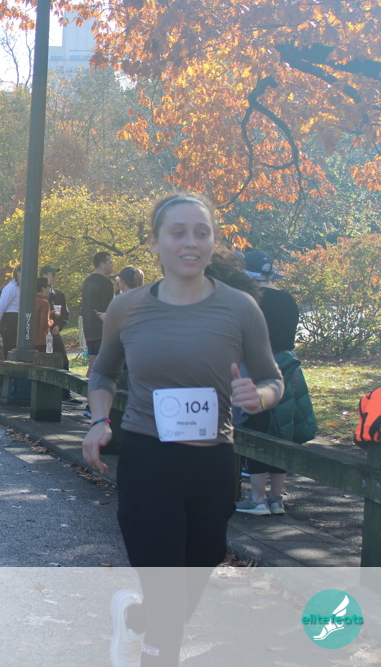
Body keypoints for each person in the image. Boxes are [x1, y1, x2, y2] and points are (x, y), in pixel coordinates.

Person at [81, 193, 283, 667]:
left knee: (195, 576)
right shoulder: (127, 307)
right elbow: (103, 373)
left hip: (213, 462)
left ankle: (135, 620)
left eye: (201, 232)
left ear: (212, 242)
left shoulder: (240, 308)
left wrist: (259, 396)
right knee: (167, 588)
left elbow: (273, 379)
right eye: (178, 232)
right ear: (155, 243)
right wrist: (99, 420)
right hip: (149, 460)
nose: (191, 242)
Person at [234, 250, 301, 516]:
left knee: (256, 428)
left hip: (256, 368)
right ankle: (276, 498)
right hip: (287, 367)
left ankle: (257, 498)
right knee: (281, 430)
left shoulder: (249, 299)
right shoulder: (288, 299)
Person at [40, 265, 78, 403]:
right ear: (44, 275)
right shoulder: (35, 294)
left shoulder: (59, 294)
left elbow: (65, 314)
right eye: (52, 274)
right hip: (40, 334)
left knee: (63, 360)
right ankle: (43, 393)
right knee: (41, 360)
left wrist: (59, 326)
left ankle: (65, 393)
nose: (55, 277)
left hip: (53, 333)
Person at [80, 251, 114, 377]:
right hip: (102, 331)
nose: (112, 265)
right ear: (101, 264)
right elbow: (108, 309)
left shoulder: (87, 282)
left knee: (93, 364)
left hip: (89, 330)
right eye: (109, 262)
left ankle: (87, 387)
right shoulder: (105, 283)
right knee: (101, 367)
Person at [0, 267, 21, 358]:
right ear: (18, 273)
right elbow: (0, 308)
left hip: (21, 321)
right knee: (9, 349)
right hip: (10, 321)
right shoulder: (11, 288)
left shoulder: (24, 288)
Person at [33, 277, 54, 353]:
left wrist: (49, 313)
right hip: (41, 339)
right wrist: (51, 321)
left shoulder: (32, 300)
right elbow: (44, 324)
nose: (50, 287)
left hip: (31, 339)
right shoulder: (44, 302)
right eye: (49, 285)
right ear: (43, 288)